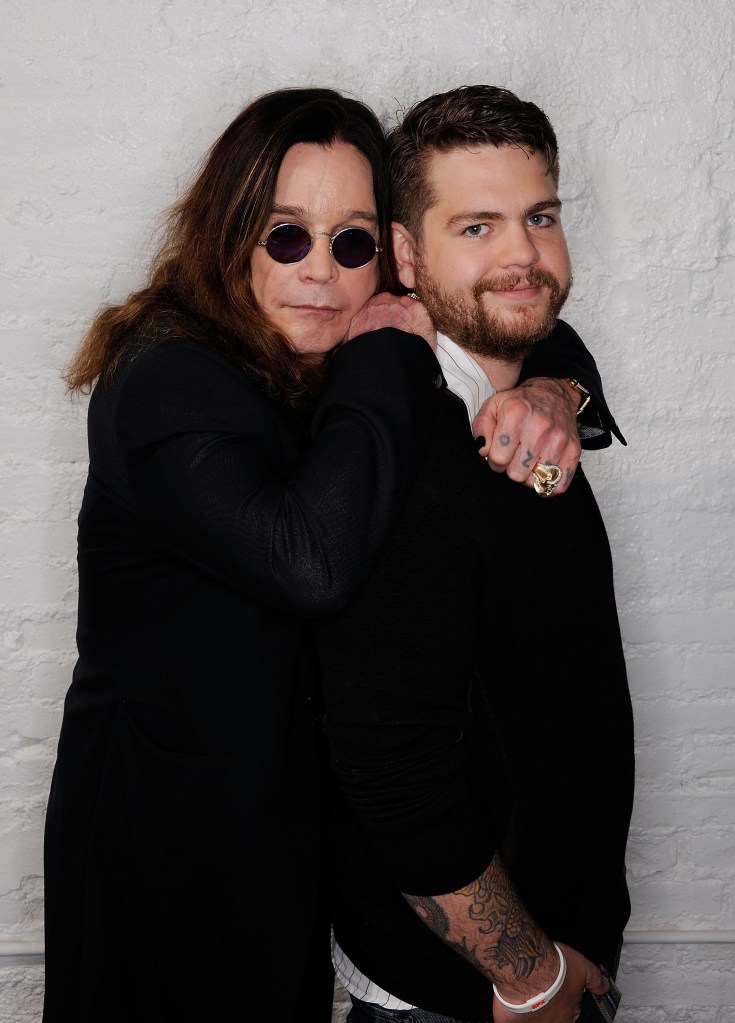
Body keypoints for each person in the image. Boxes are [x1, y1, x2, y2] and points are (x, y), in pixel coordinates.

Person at [43, 87, 614, 1022]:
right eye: (285, 236)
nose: (320, 271)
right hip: (169, 836)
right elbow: (310, 559)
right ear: (228, 234)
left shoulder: (305, 349)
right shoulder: (169, 378)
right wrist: (387, 354)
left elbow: (511, 313)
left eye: (351, 242)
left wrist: (558, 390)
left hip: (291, 837)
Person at [316, 85, 634, 1023]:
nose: (522, 256)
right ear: (406, 256)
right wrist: (530, 977)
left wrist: (561, 389)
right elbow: (389, 766)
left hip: (549, 954)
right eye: (477, 227)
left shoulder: (522, 400)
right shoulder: (401, 456)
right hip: (464, 993)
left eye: (538, 216)